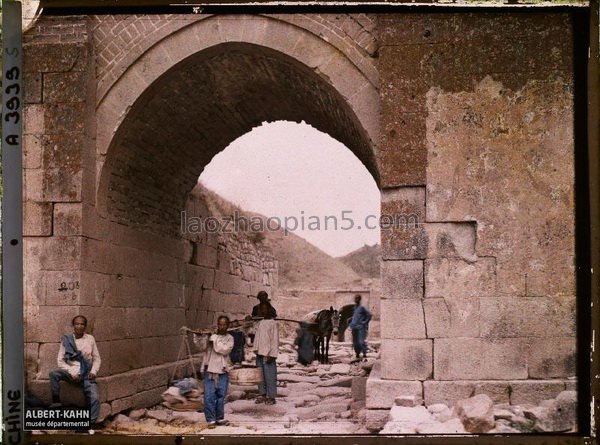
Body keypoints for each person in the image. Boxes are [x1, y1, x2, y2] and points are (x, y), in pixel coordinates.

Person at [48, 315, 102, 425]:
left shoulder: (90, 339)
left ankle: (89, 424)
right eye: (77, 324)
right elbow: (60, 361)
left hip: (86, 374)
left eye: (82, 324)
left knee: (95, 397)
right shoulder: (66, 339)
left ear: (85, 326)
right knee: (53, 374)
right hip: (71, 372)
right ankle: (56, 402)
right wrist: (72, 372)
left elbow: (97, 359)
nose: (80, 326)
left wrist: (93, 371)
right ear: (73, 326)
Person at [203, 315, 235, 428]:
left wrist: (213, 338)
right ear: (217, 325)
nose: (222, 326)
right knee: (209, 395)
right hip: (210, 369)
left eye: (224, 324)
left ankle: (219, 418)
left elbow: (224, 350)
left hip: (223, 369)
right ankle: (211, 420)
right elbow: (201, 346)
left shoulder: (230, 338)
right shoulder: (211, 337)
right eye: (220, 324)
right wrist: (199, 336)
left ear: (227, 326)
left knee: (221, 395)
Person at [253, 301, 279, 405]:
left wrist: (272, 354)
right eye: (261, 309)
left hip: (268, 354)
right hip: (259, 353)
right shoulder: (260, 322)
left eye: (265, 309)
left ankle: (271, 396)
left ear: (269, 310)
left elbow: (274, 340)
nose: (263, 311)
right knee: (260, 375)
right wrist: (255, 348)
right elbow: (256, 335)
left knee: (270, 375)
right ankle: (262, 394)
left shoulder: (273, 323)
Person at [348, 295, 372, 362]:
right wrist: (351, 320)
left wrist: (365, 322)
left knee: (361, 341)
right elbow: (355, 316)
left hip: (361, 327)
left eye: (357, 299)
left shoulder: (362, 307)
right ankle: (357, 354)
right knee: (355, 342)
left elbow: (369, 315)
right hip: (354, 327)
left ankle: (364, 354)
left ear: (359, 299)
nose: (356, 300)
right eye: (355, 298)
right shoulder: (355, 308)